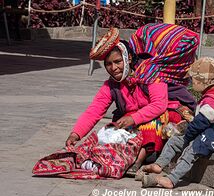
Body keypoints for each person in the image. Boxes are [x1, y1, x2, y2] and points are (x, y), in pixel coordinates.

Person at [65, 23, 199, 173]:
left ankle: (138, 160)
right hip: (137, 118)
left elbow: (159, 105)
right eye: (108, 64)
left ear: (128, 57)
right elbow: (94, 110)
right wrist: (76, 133)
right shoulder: (111, 85)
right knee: (110, 131)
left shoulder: (150, 71)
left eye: (117, 62)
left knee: (152, 123)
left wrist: (133, 119)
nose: (113, 68)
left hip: (163, 112)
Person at [139, 57, 214, 188]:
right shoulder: (213, 96)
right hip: (201, 134)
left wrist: (188, 133)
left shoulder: (213, 103)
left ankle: (171, 179)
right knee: (174, 141)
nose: (192, 82)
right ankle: (159, 165)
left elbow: (200, 123)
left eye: (193, 79)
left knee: (190, 151)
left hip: (212, 139)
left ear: (202, 81)